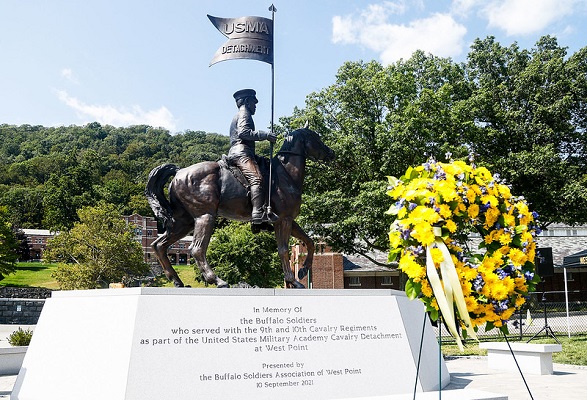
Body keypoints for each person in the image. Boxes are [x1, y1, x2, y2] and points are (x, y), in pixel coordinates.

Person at [228, 89, 278, 223]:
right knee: (257, 179)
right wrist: (265, 135)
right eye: (253, 102)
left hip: (241, 151)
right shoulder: (244, 113)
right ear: (246, 101)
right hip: (242, 152)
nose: (255, 105)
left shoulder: (239, 114)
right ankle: (257, 212)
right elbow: (244, 133)